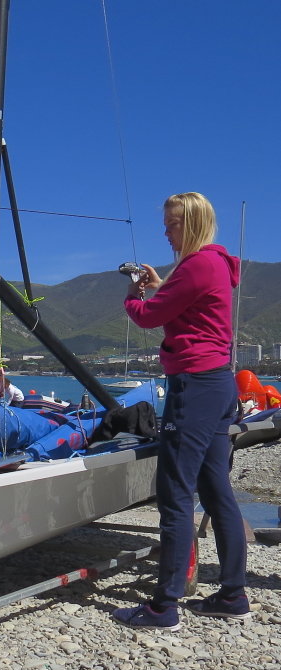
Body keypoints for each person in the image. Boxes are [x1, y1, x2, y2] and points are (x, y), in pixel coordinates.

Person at [112, 192, 248, 631]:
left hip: (194, 386)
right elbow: (185, 303)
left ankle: (163, 606)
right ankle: (232, 593)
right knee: (215, 489)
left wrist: (134, 298)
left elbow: (150, 318)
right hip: (218, 383)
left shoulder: (197, 265)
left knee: (174, 494)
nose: (165, 232)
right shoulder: (214, 265)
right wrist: (161, 285)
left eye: (171, 224)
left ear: (189, 224)